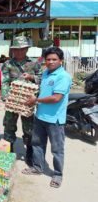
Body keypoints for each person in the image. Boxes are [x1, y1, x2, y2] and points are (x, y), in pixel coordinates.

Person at [22, 47, 72, 189]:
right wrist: (30, 77)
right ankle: (38, 168)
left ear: (60, 61)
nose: (50, 62)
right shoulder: (46, 73)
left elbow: (56, 97)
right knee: (37, 144)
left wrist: (36, 100)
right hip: (40, 117)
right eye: (48, 59)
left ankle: (57, 175)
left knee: (57, 149)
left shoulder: (63, 77)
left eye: (54, 59)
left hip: (55, 120)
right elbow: (40, 81)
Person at [1, 36, 42, 166]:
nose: (19, 52)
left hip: (28, 101)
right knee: (9, 126)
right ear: (13, 50)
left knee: (29, 127)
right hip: (12, 100)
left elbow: (42, 79)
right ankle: (9, 151)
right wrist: (6, 97)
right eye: (17, 50)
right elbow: (4, 81)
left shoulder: (34, 63)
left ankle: (29, 153)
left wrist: (31, 77)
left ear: (26, 49)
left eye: (22, 49)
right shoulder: (8, 64)